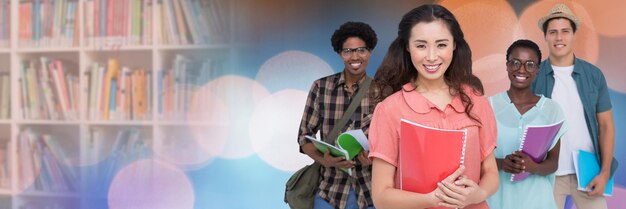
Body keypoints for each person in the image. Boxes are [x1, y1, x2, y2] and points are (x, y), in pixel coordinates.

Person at [368, 4, 498, 209]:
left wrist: (477, 194)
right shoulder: (390, 110)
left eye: (441, 44)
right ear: (407, 47)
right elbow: (381, 197)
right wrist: (431, 199)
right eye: (421, 45)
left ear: (454, 45)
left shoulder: (476, 101)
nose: (431, 56)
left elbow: (490, 173)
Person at [532, 4, 617, 209]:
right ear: (545, 37)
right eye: (553, 32)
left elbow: (606, 126)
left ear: (573, 35)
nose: (559, 38)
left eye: (565, 31)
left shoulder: (593, 75)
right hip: (546, 176)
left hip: (588, 173)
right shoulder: (533, 76)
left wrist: (605, 173)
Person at [297, 21, 378, 209]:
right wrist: (322, 159)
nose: (355, 56)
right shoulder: (321, 87)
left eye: (361, 50)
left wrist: (374, 158)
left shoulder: (382, 91)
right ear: (340, 53)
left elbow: (394, 143)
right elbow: (304, 136)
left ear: (370, 52)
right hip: (329, 193)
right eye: (348, 51)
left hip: (370, 194)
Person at [486, 39, 568, 209]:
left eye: (530, 64)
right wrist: (501, 163)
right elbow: (475, 160)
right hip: (496, 202)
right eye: (515, 63)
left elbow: (553, 163)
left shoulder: (552, 110)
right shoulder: (487, 107)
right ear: (507, 65)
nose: (521, 69)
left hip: (538, 202)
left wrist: (533, 167)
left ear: (537, 70)